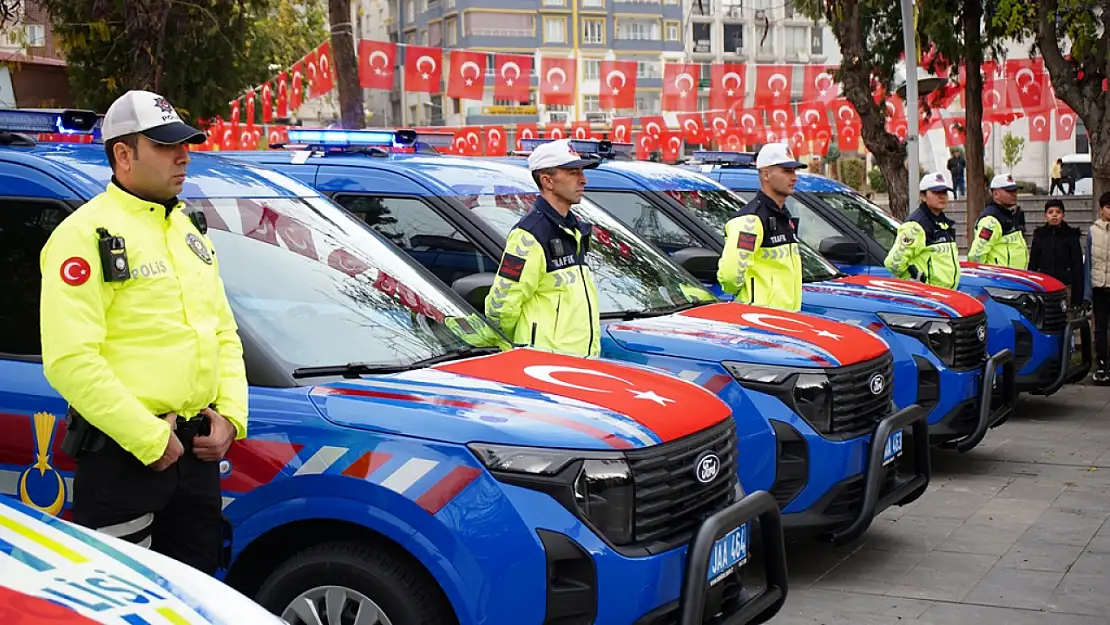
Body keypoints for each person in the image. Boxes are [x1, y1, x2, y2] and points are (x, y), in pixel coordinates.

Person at [39, 90, 248, 574]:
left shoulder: (189, 231)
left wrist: (231, 417)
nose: (183, 156)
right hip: (124, 457)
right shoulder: (84, 235)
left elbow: (223, 332)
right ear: (123, 155)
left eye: (185, 144)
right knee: (123, 602)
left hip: (195, 454)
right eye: (164, 145)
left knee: (194, 599)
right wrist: (150, 442)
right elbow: (70, 360)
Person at [484, 138, 601, 358]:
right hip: (546, 366)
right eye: (573, 173)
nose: (583, 180)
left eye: (581, 172)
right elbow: (501, 308)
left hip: (580, 363)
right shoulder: (529, 235)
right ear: (547, 181)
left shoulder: (574, 229)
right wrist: (524, 350)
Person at [718, 143, 805, 312]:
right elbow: (729, 277)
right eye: (787, 171)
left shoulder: (783, 216)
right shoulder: (750, 220)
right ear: (766, 174)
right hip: (759, 320)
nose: (794, 177)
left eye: (794, 171)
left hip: (785, 319)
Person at [884, 172, 961, 289]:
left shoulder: (943, 224)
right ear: (923, 196)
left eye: (944, 192)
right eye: (936, 192)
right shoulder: (915, 226)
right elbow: (893, 263)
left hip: (946, 295)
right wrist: (916, 283)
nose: (942, 196)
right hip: (928, 298)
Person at [1029, 198, 1085, 311]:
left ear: (1063, 215)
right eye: (1050, 212)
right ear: (1045, 216)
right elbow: (1033, 264)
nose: (1054, 215)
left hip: (1066, 286)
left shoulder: (1071, 236)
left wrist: (1077, 298)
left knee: (1066, 319)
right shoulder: (1040, 236)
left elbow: (1077, 267)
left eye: (1058, 212)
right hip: (1043, 286)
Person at [967, 173, 1029, 269]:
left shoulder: (1010, 214)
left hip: (1014, 278)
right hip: (1000, 280)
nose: (1014, 194)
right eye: (1009, 191)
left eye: (1015, 190)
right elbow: (976, 255)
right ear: (996, 194)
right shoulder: (991, 220)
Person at [1084, 192, 1110, 385]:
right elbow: (1088, 264)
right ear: (1101, 209)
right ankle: (1101, 364)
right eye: (1108, 207)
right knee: (1100, 329)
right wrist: (1088, 292)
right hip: (1099, 288)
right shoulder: (1093, 231)